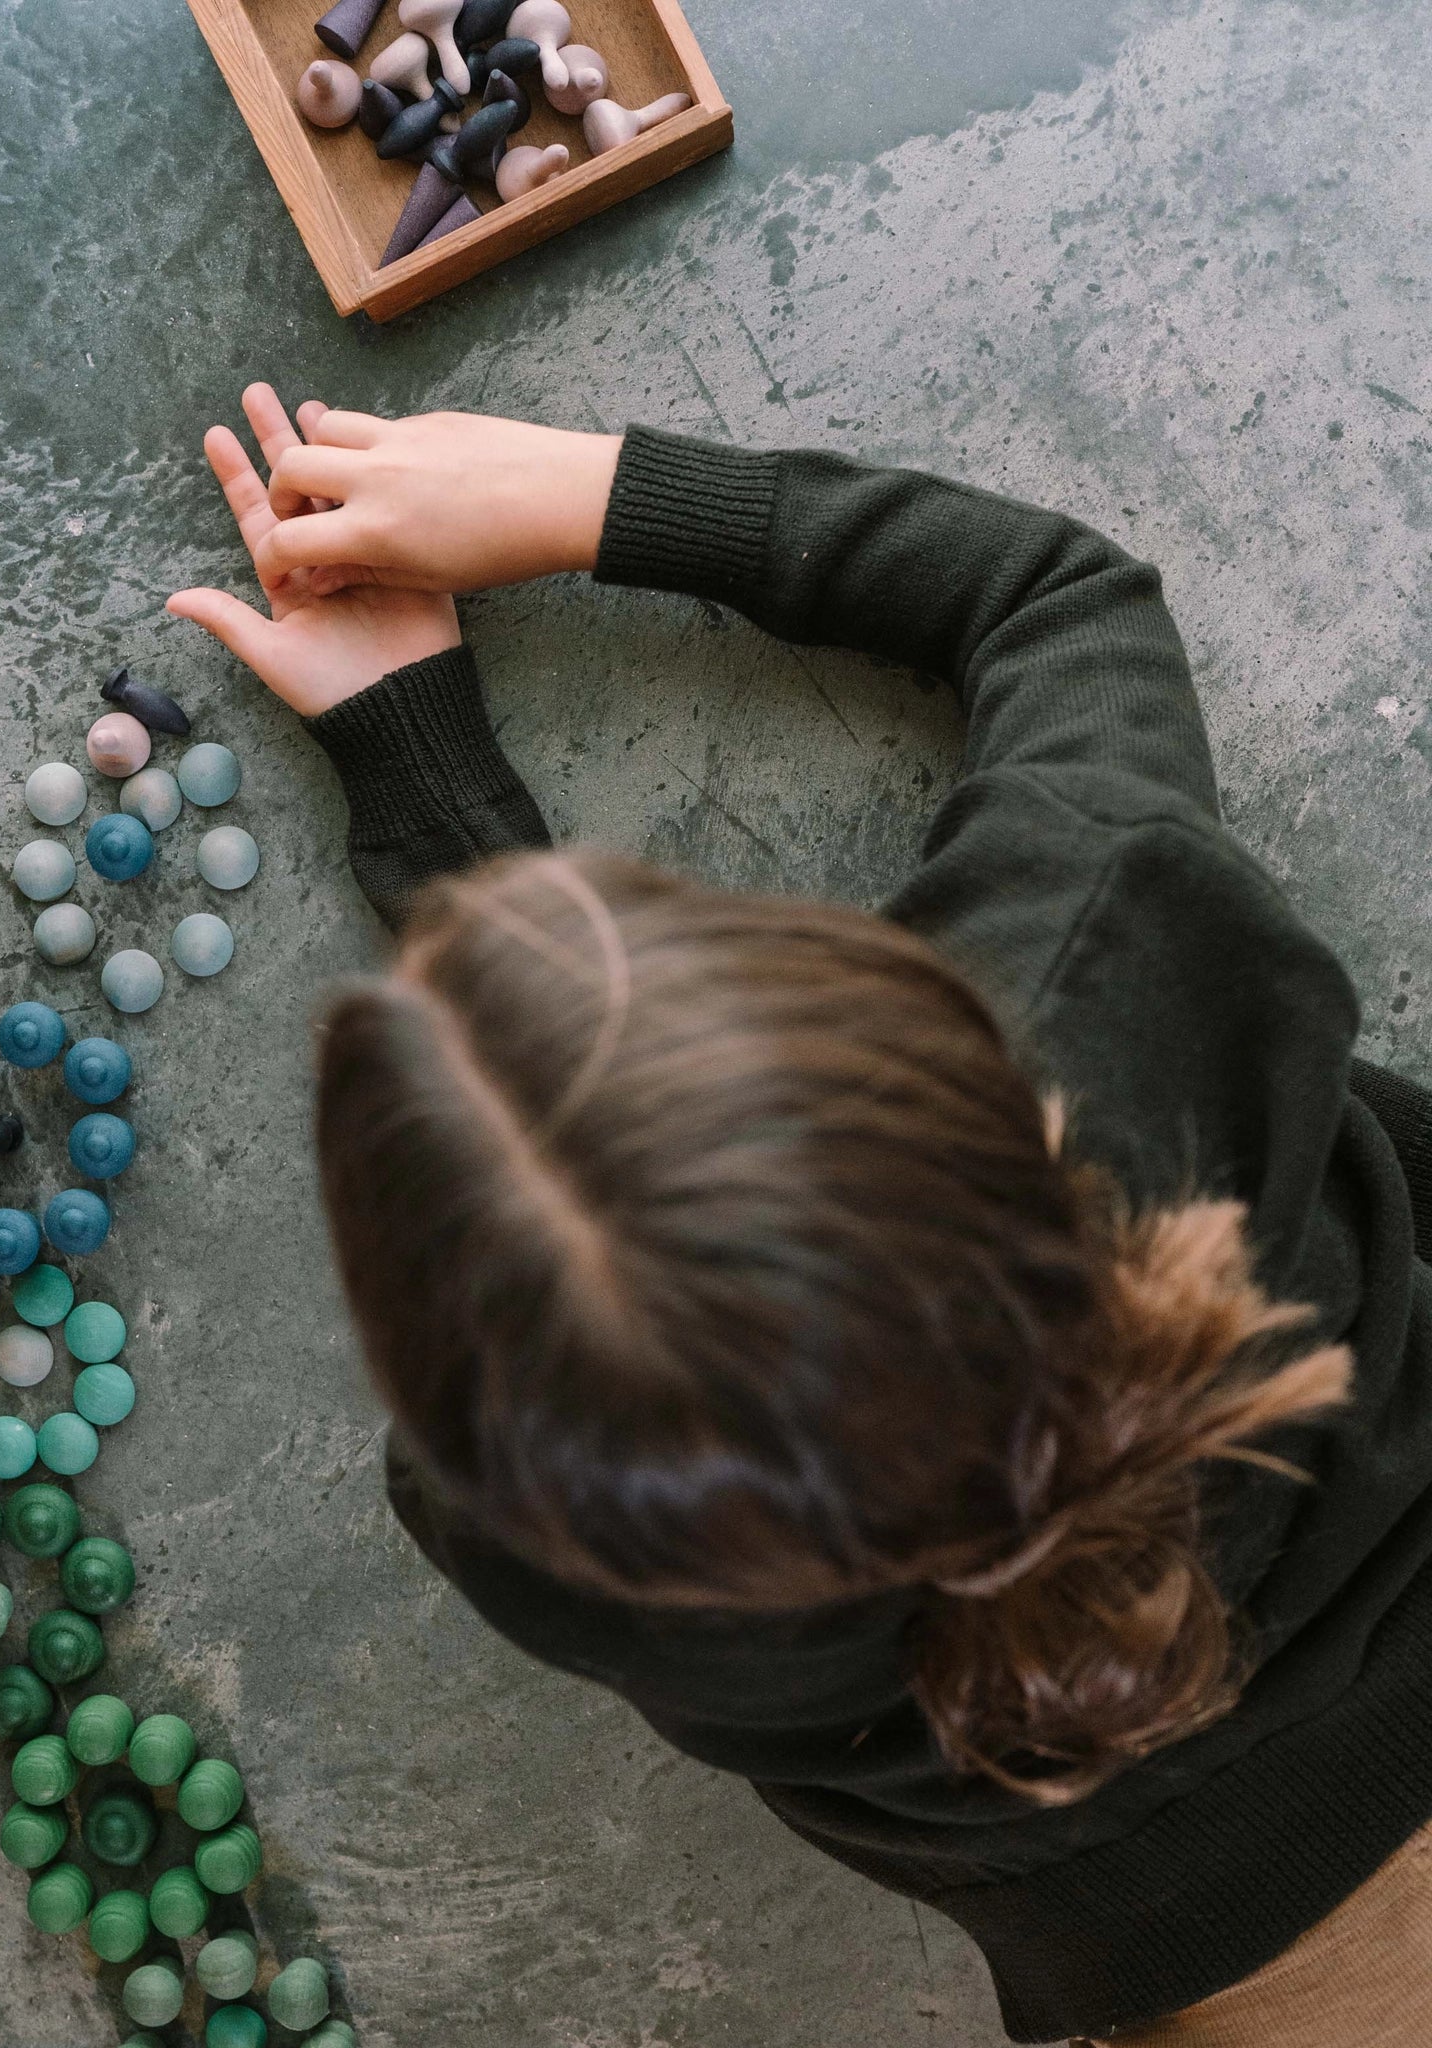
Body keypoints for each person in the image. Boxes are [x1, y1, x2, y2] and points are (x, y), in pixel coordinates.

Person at [166, 386, 1432, 2046]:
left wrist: (429, 767)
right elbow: (1055, 599)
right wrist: (597, 493)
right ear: (916, 1000)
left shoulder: (517, 1524)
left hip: (1197, 1959)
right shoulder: (1103, 959)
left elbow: (601, 1279)